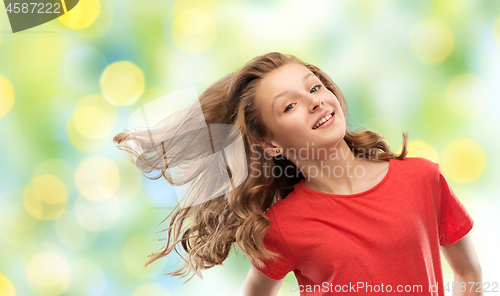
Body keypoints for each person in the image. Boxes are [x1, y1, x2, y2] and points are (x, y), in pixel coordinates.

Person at [113, 52, 482, 296]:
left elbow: (467, 275)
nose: (314, 101)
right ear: (269, 142)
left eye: (315, 87)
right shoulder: (283, 227)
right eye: (289, 105)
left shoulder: (421, 178)